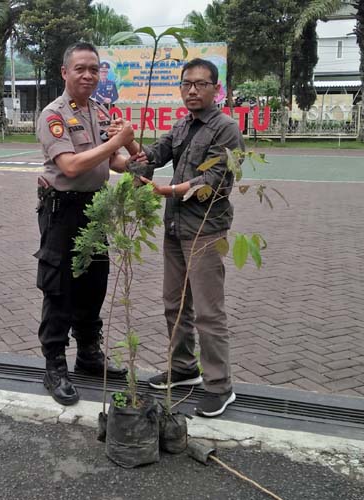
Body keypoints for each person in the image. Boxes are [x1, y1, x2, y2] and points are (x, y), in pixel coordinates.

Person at [35, 42, 141, 406]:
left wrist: (134, 154)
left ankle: (88, 354)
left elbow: (114, 162)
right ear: (65, 72)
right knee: (60, 286)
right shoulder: (54, 114)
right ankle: (54, 365)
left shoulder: (100, 111)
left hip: (95, 209)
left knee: (94, 283)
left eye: (94, 69)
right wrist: (118, 142)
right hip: (62, 211)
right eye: (80, 68)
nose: (88, 75)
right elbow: (71, 166)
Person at [138, 58, 243, 418]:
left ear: (216, 89)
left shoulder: (226, 129)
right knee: (174, 303)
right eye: (187, 84)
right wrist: (128, 151)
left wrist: (166, 191)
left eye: (201, 84)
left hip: (205, 230)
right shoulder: (182, 126)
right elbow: (155, 153)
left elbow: (212, 182)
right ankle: (183, 368)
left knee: (208, 312)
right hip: (176, 229)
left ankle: (219, 385)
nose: (192, 90)